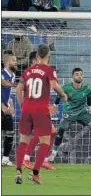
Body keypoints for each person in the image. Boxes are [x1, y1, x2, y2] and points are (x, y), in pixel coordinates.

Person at [14, 44, 67, 185]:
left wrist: (22, 106)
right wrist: (63, 95)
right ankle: (35, 174)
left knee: (23, 141)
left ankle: (18, 171)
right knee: (45, 141)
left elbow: (18, 90)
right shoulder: (49, 70)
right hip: (41, 110)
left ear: (37, 56)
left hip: (26, 109)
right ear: (48, 56)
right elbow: (55, 86)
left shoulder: (27, 71)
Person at [48, 68, 91, 162]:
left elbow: (89, 99)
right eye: (77, 74)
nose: (79, 76)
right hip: (69, 113)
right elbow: (58, 97)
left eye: (81, 74)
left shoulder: (87, 88)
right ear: (72, 77)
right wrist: (54, 105)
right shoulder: (66, 88)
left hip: (82, 113)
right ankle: (53, 153)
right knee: (61, 129)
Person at [22, 51, 58, 171]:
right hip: (34, 109)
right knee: (40, 133)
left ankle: (43, 159)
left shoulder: (37, 72)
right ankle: (26, 158)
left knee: (52, 132)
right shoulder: (30, 73)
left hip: (38, 107)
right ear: (33, 60)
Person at [1, 52, 18, 167]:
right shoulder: (1, 74)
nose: (16, 63)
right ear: (7, 62)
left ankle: (5, 159)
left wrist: (11, 105)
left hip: (5, 107)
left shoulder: (12, 76)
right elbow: (3, 84)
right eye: (13, 61)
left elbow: (8, 93)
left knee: (10, 132)